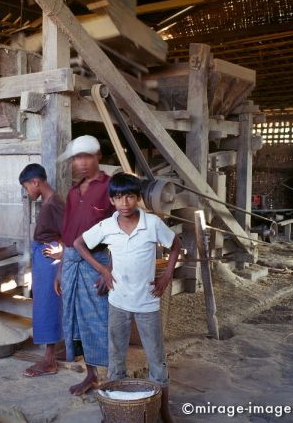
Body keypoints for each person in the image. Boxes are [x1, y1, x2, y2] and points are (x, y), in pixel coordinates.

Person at [74, 172, 180, 423]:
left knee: (157, 359)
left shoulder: (152, 224)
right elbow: (79, 243)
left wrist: (166, 277)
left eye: (130, 197)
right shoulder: (107, 226)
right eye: (118, 198)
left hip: (147, 302)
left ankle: (164, 412)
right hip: (118, 302)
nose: (124, 203)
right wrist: (103, 270)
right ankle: (116, 412)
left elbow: (175, 244)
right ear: (111, 200)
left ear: (138, 198)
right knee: (116, 359)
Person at [52, 135, 115, 395]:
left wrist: (110, 269)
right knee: (75, 319)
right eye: (77, 158)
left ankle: (112, 377)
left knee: (100, 320)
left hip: (98, 262)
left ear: (98, 156)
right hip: (71, 263)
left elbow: (119, 232)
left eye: (87, 156)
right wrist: (59, 269)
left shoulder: (111, 187)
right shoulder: (73, 192)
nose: (81, 163)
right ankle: (91, 375)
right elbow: (67, 235)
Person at [18, 163, 65, 377]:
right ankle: (50, 358)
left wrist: (62, 256)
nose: (27, 192)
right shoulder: (48, 202)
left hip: (49, 257)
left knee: (47, 306)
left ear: (36, 182)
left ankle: (49, 361)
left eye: (27, 186)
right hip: (43, 255)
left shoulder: (54, 203)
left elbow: (69, 234)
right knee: (43, 306)